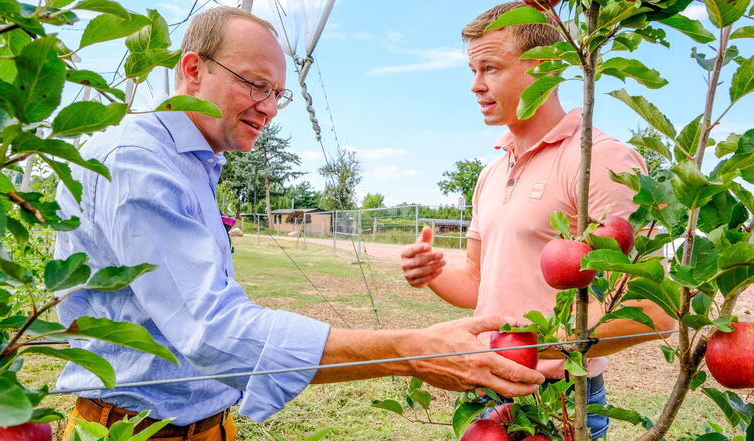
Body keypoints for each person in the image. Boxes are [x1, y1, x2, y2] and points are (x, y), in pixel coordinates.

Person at [55, 7, 545, 441]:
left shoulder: (190, 163)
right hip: (132, 430)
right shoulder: (139, 163)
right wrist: (411, 348)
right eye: (254, 83)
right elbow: (213, 332)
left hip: (199, 423)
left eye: (276, 93)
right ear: (192, 69)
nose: (268, 107)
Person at [399, 3, 675, 439]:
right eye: (472, 70)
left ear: (546, 68)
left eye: (490, 68)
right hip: (486, 385)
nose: (475, 85)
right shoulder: (492, 170)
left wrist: (541, 348)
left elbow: (656, 311)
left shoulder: (599, 160)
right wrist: (432, 273)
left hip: (560, 394)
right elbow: (477, 282)